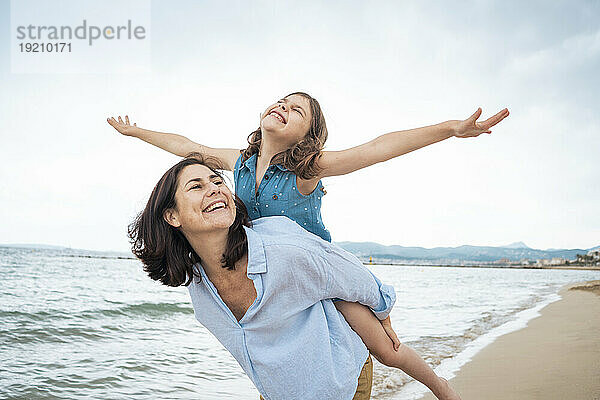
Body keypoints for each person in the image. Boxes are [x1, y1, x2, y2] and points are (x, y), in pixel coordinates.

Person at [109, 91, 505, 398]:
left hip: (320, 273)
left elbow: (376, 150)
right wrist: (137, 132)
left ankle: (442, 389)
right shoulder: (240, 163)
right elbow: (185, 146)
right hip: (269, 274)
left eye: (297, 110)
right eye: (282, 100)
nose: (283, 106)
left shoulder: (304, 171)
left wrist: (450, 129)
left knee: (386, 348)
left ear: (308, 136)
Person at [127, 155, 397, 399]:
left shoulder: (280, 247)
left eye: (217, 180)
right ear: (172, 216)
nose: (214, 188)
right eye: (196, 186)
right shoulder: (199, 284)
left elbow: (352, 274)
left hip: (341, 381)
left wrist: (383, 312)